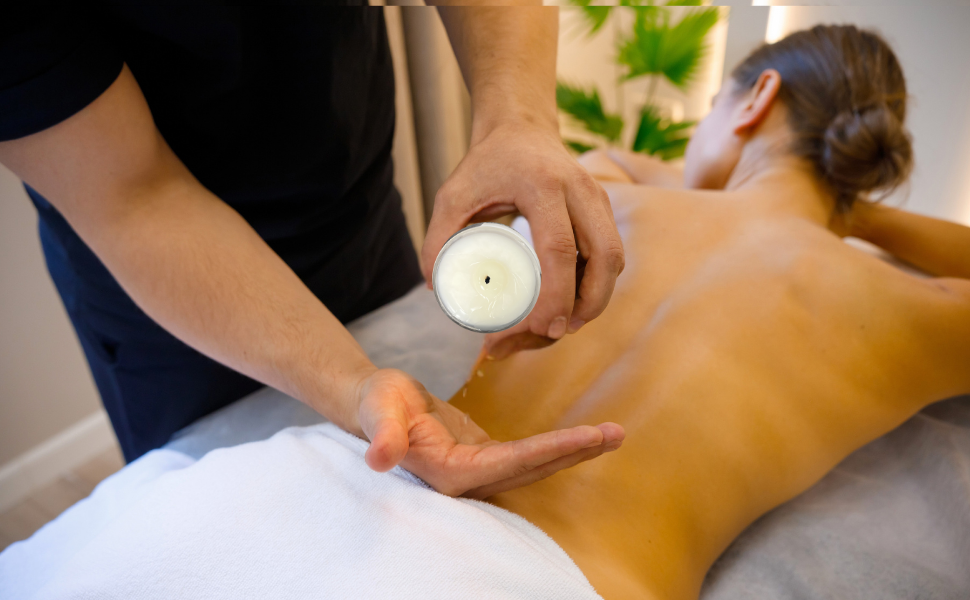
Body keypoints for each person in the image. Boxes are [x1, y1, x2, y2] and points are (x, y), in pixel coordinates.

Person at [0, 3, 625, 494]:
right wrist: (353, 386)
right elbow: (134, 199)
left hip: (353, 200)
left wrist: (518, 120)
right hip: (172, 299)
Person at [445, 23, 970, 598]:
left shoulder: (599, 202)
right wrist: (850, 212)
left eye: (714, 104)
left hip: (387, 480)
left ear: (759, 96)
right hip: (571, 583)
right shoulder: (901, 306)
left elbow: (610, 157)